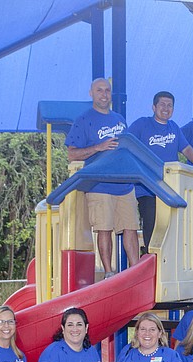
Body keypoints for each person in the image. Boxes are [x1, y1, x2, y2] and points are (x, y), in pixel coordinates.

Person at [65, 78, 140, 278]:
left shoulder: (120, 119)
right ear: (91, 93)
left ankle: (135, 271)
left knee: (131, 227)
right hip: (99, 184)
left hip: (124, 183)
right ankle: (108, 272)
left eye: (107, 90)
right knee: (104, 228)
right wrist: (98, 147)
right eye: (99, 90)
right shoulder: (83, 120)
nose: (104, 94)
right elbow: (72, 154)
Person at [128, 91, 193, 249]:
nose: (166, 108)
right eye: (162, 104)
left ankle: (168, 263)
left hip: (170, 189)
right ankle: (151, 261)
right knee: (152, 226)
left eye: (170, 105)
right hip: (147, 189)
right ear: (154, 107)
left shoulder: (174, 127)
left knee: (173, 228)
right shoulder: (142, 124)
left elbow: (187, 149)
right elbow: (126, 145)